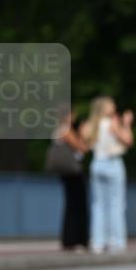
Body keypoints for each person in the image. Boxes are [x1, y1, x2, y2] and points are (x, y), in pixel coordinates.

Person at [82, 96, 134, 254]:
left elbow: (85, 144)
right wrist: (126, 124)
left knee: (98, 205)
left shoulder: (90, 125)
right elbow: (128, 141)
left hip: (97, 163)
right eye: (112, 104)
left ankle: (98, 242)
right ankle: (116, 242)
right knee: (116, 204)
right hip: (112, 163)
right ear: (105, 108)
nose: (114, 106)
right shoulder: (112, 123)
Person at [51, 108, 90, 251]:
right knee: (77, 206)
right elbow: (81, 148)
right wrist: (83, 134)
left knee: (71, 205)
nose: (74, 117)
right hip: (72, 173)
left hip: (66, 173)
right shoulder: (66, 130)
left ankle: (70, 239)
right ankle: (75, 239)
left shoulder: (59, 130)